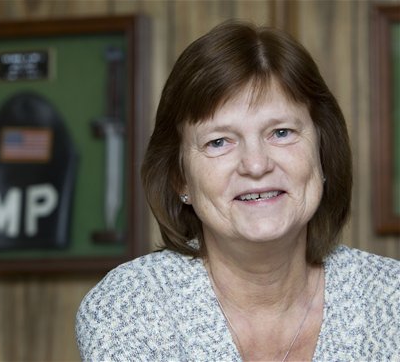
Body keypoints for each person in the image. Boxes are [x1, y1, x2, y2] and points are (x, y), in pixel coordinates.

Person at [76, 21, 400, 361]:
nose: (256, 164)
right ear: (179, 178)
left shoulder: (391, 299)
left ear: (322, 153)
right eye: (219, 141)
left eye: (281, 132)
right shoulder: (130, 309)